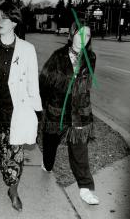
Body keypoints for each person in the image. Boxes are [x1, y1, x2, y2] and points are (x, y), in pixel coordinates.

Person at [0, 3, 42, 212]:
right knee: (2, 152)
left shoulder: (27, 50)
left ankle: (13, 190)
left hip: (17, 110)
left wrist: (36, 110)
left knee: (16, 152)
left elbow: (32, 82)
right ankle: (3, 167)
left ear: (14, 21)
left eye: (4, 18)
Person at [39, 21, 99, 205]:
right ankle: (47, 163)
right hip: (57, 110)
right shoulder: (57, 57)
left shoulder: (91, 57)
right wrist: (46, 106)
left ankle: (85, 188)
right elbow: (44, 82)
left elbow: (85, 85)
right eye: (79, 34)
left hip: (79, 113)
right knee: (50, 144)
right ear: (72, 34)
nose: (83, 39)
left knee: (80, 150)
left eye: (87, 35)